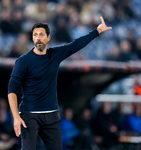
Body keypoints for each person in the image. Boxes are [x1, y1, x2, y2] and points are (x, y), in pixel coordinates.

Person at [7, 16, 112, 150]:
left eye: (41, 35)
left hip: (51, 114)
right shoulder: (23, 61)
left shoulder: (55, 55)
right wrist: (16, 117)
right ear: (33, 38)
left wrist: (97, 31)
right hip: (29, 114)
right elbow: (12, 89)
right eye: (35, 35)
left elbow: (76, 44)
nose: (38, 38)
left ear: (48, 37)